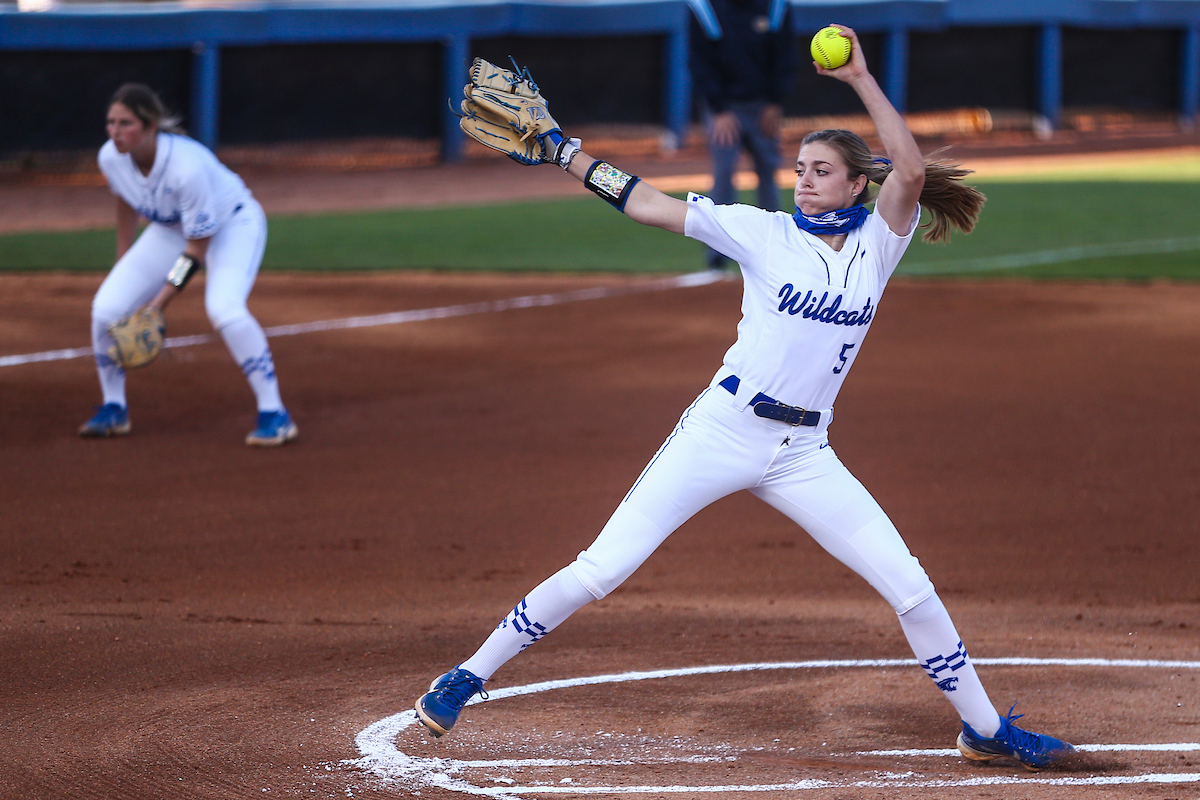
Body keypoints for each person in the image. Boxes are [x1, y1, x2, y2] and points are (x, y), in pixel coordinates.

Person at [418, 27, 1074, 770]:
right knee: (603, 568)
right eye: (799, 168)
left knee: (912, 588)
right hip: (723, 430)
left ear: (857, 183)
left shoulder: (878, 245)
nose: (803, 180)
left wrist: (860, 77)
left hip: (804, 452)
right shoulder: (762, 232)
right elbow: (647, 205)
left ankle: (985, 730)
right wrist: (569, 154)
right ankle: (465, 676)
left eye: (821, 170)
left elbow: (914, 172)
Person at [79, 83, 298, 447]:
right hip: (169, 230)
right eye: (110, 122)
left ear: (150, 127)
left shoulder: (186, 167)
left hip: (232, 225)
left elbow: (196, 250)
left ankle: (274, 413)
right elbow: (125, 200)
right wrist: (123, 260)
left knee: (224, 309)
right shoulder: (110, 157)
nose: (115, 132)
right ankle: (113, 408)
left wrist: (156, 306)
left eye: (125, 123)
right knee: (105, 308)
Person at [688, 0, 795, 270]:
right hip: (724, 109)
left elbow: (785, 56)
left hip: (763, 108)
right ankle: (716, 259)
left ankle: (777, 253)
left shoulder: (776, 7)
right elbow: (699, 62)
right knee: (724, 177)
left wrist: (774, 102)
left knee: (769, 176)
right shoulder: (705, 8)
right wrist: (720, 110)